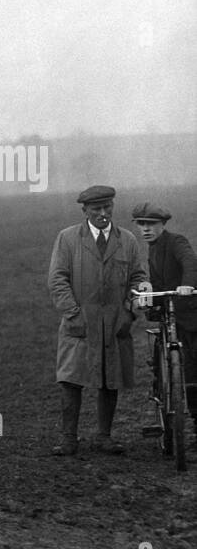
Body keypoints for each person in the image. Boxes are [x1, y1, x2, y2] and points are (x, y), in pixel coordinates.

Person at [47, 185, 150, 456]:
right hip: (79, 321)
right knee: (71, 379)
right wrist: (72, 313)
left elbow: (138, 278)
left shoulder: (127, 240)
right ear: (85, 211)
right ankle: (69, 438)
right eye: (96, 209)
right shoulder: (68, 238)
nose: (103, 213)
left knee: (109, 377)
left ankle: (104, 436)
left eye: (107, 207)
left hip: (115, 323)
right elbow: (57, 279)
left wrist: (129, 312)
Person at [130, 201, 197, 441]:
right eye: (141, 224)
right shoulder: (153, 250)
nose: (146, 229)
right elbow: (158, 284)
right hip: (172, 316)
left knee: (194, 367)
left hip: (191, 315)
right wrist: (145, 299)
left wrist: (187, 285)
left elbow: (190, 263)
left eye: (151, 224)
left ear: (163, 224)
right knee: (184, 370)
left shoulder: (176, 242)